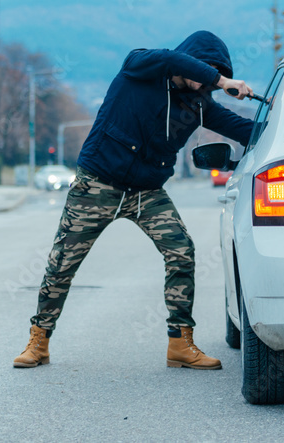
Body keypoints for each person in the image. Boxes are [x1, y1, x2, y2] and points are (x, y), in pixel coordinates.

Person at [14, 31, 254, 370]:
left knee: (181, 251)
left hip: (146, 193)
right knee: (63, 262)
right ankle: (38, 341)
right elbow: (172, 59)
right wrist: (222, 78)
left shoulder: (199, 103)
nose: (203, 85)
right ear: (194, 63)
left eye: (210, 80)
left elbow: (244, 129)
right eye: (203, 73)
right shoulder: (142, 67)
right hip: (97, 184)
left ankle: (180, 343)